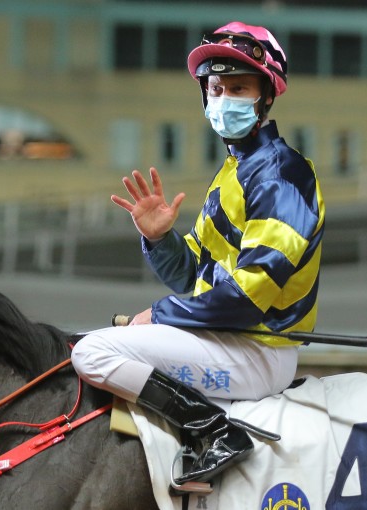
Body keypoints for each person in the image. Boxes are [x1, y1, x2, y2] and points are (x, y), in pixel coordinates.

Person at [71, 22, 324, 486]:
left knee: (91, 353)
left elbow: (248, 296)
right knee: (80, 342)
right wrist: (159, 239)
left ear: (266, 96)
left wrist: (160, 314)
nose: (224, 98)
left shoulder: (283, 174)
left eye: (239, 87)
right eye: (216, 88)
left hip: (256, 351)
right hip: (227, 340)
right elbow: (193, 278)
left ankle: (214, 432)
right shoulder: (235, 171)